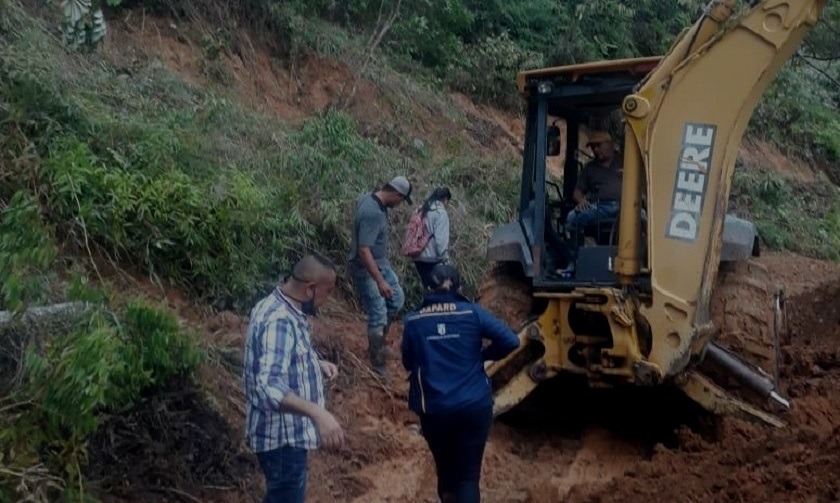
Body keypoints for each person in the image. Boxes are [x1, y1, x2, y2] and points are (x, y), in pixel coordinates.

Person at [401, 263, 520, 503]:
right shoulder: (472, 313)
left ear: (426, 289)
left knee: (446, 473)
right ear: (460, 288)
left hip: (435, 410)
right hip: (474, 406)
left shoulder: (413, 321)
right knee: (468, 477)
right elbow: (510, 341)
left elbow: (408, 362)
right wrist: (483, 356)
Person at [242, 253, 345, 503]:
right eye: (327, 292)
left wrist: (314, 363)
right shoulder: (280, 320)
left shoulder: (277, 305)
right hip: (282, 443)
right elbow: (269, 385)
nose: (327, 300)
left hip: (283, 441)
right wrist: (319, 414)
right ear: (310, 289)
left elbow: (276, 356)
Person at [347, 175, 412, 376]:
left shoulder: (369, 198)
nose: (400, 205)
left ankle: (379, 342)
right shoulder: (372, 212)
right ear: (396, 194)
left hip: (380, 264)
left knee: (397, 299)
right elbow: (364, 250)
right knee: (378, 312)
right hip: (366, 269)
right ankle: (377, 363)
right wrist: (380, 281)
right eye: (402, 200)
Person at [562, 130, 623, 275]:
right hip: (600, 207)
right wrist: (581, 200)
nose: (595, 150)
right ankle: (575, 261)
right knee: (573, 217)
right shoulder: (590, 168)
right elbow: (577, 192)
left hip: (626, 207)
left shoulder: (626, 161)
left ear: (610, 145)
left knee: (645, 219)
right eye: (592, 147)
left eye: (598, 145)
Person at [413, 186, 452, 290]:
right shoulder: (440, 212)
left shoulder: (420, 209)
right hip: (433, 259)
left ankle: (428, 304)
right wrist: (444, 260)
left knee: (428, 288)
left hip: (417, 257)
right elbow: (440, 240)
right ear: (445, 199)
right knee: (441, 290)